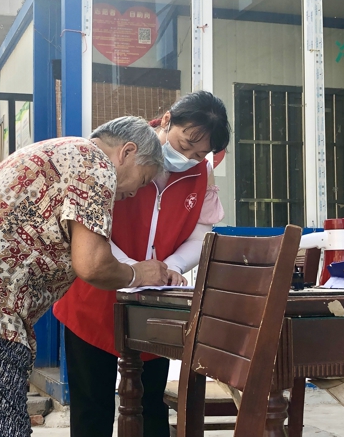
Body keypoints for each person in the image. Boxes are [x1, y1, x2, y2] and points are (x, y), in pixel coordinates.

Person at [0, 116, 170, 437]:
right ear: (127, 152)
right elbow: (92, 264)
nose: (135, 193)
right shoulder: (97, 164)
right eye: (142, 179)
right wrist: (139, 272)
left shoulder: (46, 150)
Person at [53, 91, 231, 437]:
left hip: (153, 301)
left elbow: (201, 232)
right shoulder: (122, 151)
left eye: (200, 154)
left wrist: (169, 267)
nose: (189, 158)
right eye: (185, 144)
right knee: (92, 408)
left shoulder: (201, 174)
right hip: (95, 292)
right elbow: (85, 226)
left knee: (150, 406)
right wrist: (133, 270)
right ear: (166, 120)